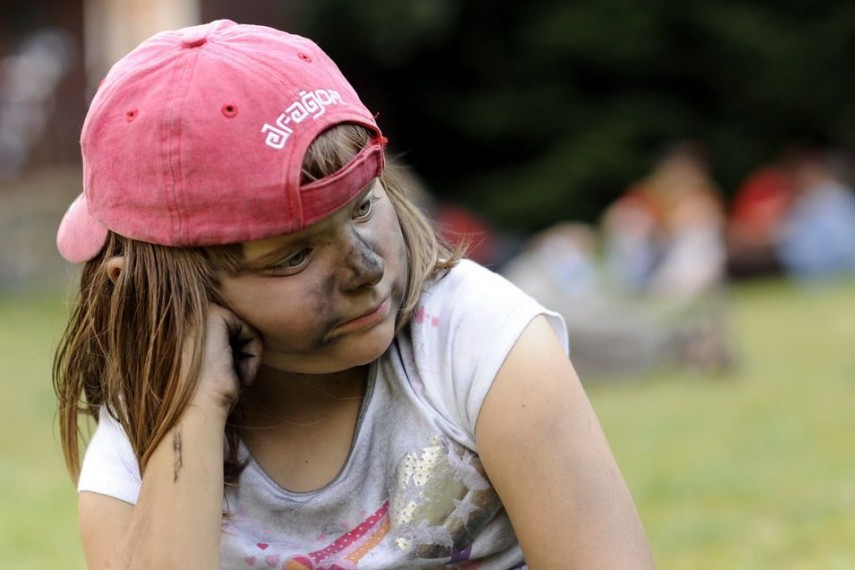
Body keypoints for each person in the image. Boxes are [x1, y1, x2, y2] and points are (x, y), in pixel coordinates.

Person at [52, 20, 653, 569]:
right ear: (154, 293)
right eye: (293, 256)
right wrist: (192, 408)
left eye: (363, 207)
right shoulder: (140, 438)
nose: (365, 267)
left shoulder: (479, 343)